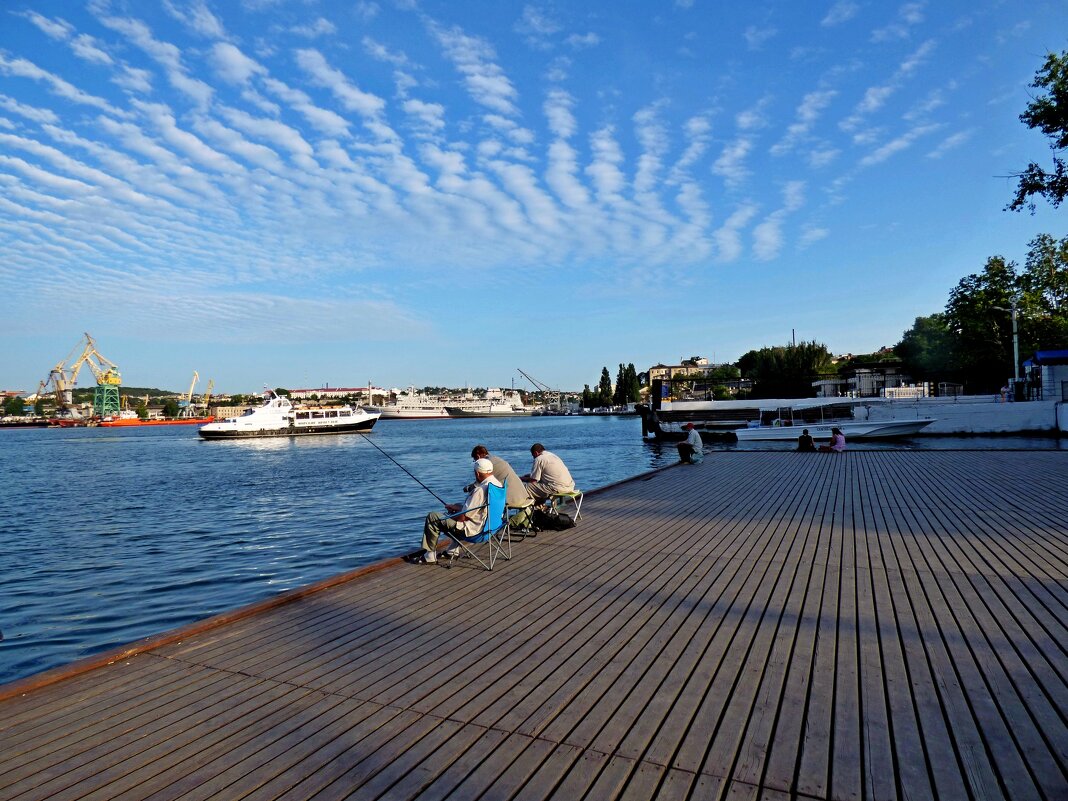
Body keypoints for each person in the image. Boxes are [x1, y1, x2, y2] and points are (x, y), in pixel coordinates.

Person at [411, 457, 502, 564]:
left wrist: (449, 516)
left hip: (475, 531)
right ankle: (452, 550)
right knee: (458, 508)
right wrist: (457, 508)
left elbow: (463, 517)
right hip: (491, 527)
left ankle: (429, 556)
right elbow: (478, 509)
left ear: (477, 473)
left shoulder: (480, 490)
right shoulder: (497, 485)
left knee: (433, 517)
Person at [471, 444, 533, 524]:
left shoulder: (487, 464)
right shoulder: (496, 459)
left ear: (478, 456)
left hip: (513, 499)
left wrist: (469, 488)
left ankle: (485, 524)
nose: (475, 462)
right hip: (523, 495)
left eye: (475, 459)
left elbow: (480, 483)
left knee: (483, 497)